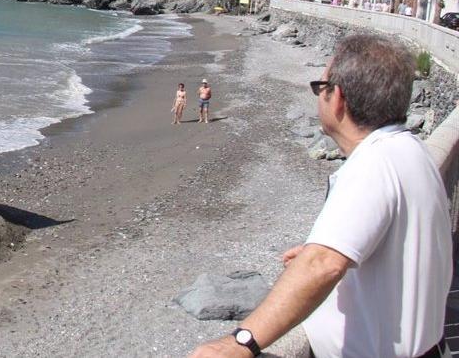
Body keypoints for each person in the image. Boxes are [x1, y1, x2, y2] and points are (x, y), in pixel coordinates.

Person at [189, 34, 451, 358]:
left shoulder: (374, 164)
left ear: (337, 98)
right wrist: (341, 243)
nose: (319, 97)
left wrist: (241, 342)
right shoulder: (410, 150)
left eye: (320, 87)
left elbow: (323, 265)